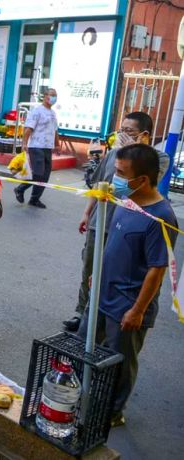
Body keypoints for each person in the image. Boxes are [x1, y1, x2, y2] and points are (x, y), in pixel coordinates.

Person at [77, 143, 177, 427]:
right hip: (100, 295)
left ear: (143, 179)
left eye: (120, 173)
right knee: (83, 344)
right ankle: (83, 395)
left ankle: (113, 411)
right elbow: (114, 243)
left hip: (127, 306)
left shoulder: (161, 217)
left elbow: (157, 269)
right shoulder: (126, 201)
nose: (114, 180)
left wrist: (137, 310)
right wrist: (99, 273)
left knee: (119, 362)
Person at [65, 112, 170, 332]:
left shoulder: (157, 159)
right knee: (90, 270)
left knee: (118, 273)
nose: (123, 135)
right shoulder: (113, 154)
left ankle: (109, 317)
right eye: (121, 130)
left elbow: (152, 181)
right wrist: (87, 213)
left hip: (128, 227)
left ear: (144, 135)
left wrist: (135, 152)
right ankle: (82, 313)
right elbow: (100, 185)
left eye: (129, 131)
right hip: (100, 221)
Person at [14, 88, 59, 209]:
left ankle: (34, 199)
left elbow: (55, 131)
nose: (54, 98)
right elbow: (28, 128)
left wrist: (57, 145)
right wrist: (24, 143)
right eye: (52, 95)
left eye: (55, 96)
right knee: (38, 174)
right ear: (45, 96)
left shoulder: (53, 113)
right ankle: (20, 189)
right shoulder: (37, 111)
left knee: (45, 176)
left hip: (47, 148)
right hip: (36, 146)